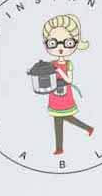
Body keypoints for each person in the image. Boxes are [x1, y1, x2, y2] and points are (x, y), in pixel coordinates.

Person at [37, 13, 95, 156]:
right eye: (53, 43)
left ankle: (63, 145)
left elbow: (69, 80)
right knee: (59, 119)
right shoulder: (50, 64)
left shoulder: (68, 63)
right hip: (53, 95)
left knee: (63, 118)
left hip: (65, 96)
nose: (60, 48)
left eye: (67, 43)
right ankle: (62, 146)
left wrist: (58, 70)